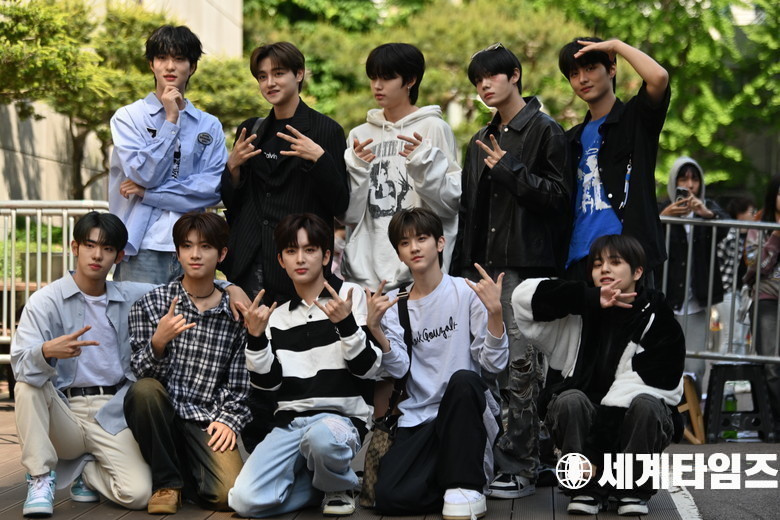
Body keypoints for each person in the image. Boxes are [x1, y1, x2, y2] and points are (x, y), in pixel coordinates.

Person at [455, 43, 569, 499]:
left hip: (525, 266)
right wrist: (463, 269)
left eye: (492, 76)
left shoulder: (546, 130)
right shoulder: (479, 138)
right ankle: (512, 458)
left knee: (522, 368)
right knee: (490, 367)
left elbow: (559, 199)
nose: (484, 85)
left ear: (515, 75)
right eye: (477, 80)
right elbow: (469, 210)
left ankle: (520, 465)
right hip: (483, 268)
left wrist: (511, 170)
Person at [512, 234, 685, 515]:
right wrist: (589, 298)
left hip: (631, 421)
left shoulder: (658, 317)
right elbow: (521, 299)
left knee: (646, 403)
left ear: (637, 272)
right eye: (596, 264)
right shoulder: (578, 311)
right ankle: (584, 487)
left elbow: (650, 384)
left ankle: (632, 488)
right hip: (584, 420)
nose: (604, 269)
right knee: (569, 400)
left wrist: (594, 455)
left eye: (615, 262)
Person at [228, 213, 382, 517]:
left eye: (309, 250)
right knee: (244, 501)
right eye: (291, 251)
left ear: (326, 256)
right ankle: (316, 487)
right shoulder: (277, 315)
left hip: (340, 420)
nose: (300, 259)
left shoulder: (350, 296)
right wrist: (256, 338)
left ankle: (338, 486)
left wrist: (346, 324)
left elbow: (368, 369)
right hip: (290, 424)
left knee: (321, 438)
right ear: (281, 260)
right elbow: (267, 385)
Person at [369, 207, 508, 519]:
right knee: (389, 497)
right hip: (418, 418)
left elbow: (493, 364)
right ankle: (451, 483)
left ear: (440, 243)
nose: (414, 248)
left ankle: (465, 483)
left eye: (422, 238)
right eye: (405, 243)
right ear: (399, 253)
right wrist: (376, 330)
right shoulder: (396, 305)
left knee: (464, 379)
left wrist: (495, 314)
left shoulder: (465, 292)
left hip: (464, 412)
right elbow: (399, 369)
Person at [11, 212, 153, 517]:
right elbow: (20, 364)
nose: (97, 255)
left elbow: (183, 288)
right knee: (27, 386)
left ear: (118, 256)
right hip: (64, 411)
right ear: (75, 247)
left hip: (111, 411)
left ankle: (86, 472)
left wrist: (229, 287)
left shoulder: (131, 296)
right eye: (90, 245)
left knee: (138, 494)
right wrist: (46, 351)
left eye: (107, 248)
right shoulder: (46, 301)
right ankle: (39, 477)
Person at [124, 212, 251, 514]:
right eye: (187, 246)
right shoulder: (151, 304)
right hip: (162, 412)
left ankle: (186, 471)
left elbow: (240, 383)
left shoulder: (236, 313)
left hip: (205, 416)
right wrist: (158, 342)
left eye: (205, 246)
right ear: (177, 252)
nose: (195, 254)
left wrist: (229, 419)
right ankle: (167, 483)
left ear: (221, 254)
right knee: (144, 391)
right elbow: (141, 375)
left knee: (227, 496)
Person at [221, 41, 349, 305]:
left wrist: (319, 160)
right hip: (248, 261)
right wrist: (232, 167)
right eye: (262, 76)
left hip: (298, 263)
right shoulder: (251, 129)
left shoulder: (327, 130)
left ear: (298, 74)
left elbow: (339, 205)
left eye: (278, 73)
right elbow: (233, 202)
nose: (269, 83)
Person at [109, 25, 226, 284]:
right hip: (142, 246)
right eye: (162, 58)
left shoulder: (209, 125)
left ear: (192, 67)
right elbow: (144, 174)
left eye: (179, 59)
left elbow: (213, 189)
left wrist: (149, 194)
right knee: (137, 312)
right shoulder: (128, 117)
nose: (170, 66)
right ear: (151, 65)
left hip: (195, 248)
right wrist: (171, 120)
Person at [341, 43, 461, 290]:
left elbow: (449, 204)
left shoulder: (433, 128)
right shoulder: (359, 134)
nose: (377, 85)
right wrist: (358, 169)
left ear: (410, 80)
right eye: (373, 77)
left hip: (419, 274)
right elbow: (349, 215)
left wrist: (424, 164)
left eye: (387, 78)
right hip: (365, 277)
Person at [558, 38, 670, 285]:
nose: (582, 79)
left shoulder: (635, 119)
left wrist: (617, 46)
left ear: (611, 69)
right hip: (579, 260)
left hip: (627, 259)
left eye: (590, 68)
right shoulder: (569, 139)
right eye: (574, 74)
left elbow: (659, 77)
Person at [658, 157, 728, 391]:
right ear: (673, 182)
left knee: (694, 367)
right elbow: (643, 235)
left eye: (694, 179)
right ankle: (667, 412)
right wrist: (664, 216)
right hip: (665, 300)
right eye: (683, 179)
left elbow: (726, 226)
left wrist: (705, 213)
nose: (689, 185)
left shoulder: (708, 208)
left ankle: (694, 412)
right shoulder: (661, 207)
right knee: (664, 363)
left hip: (696, 302)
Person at [744, 175, 780, 427]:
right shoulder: (759, 225)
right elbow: (754, 267)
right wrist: (775, 238)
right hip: (766, 298)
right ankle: (775, 422)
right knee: (771, 364)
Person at [716, 196, 755, 354]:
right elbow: (719, 258)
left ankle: (738, 368)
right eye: (751, 212)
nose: (754, 215)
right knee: (733, 335)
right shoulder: (730, 234)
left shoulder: (752, 236)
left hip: (743, 291)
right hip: (726, 289)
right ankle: (722, 367)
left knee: (742, 336)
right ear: (740, 214)